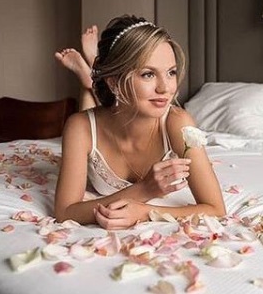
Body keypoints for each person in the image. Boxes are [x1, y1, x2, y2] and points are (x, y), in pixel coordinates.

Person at [53, 15, 225, 229]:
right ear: (114, 82)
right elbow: (65, 212)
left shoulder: (178, 123)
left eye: (171, 72)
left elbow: (216, 209)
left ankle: (89, 76)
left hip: (113, 101)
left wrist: (146, 212)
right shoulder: (80, 127)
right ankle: (88, 79)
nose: (165, 88)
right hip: (101, 116)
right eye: (148, 74)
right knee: (90, 116)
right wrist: (144, 190)